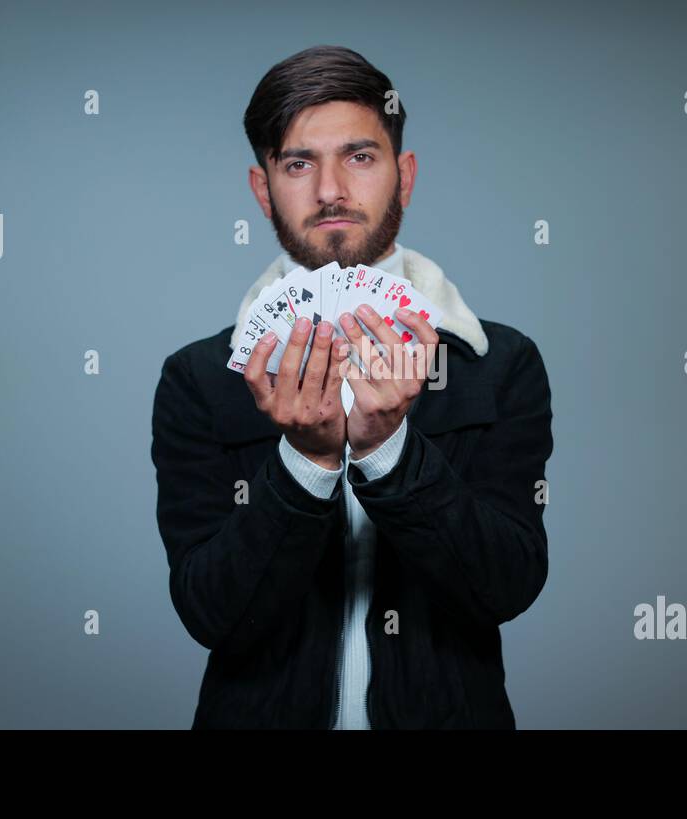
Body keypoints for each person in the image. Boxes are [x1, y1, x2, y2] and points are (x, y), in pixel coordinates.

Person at [150, 45, 553, 729]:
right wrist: (303, 463)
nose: (331, 189)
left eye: (360, 157)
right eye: (299, 163)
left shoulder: (499, 365)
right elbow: (213, 613)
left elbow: (505, 585)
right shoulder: (199, 381)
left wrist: (391, 452)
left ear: (405, 175)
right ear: (262, 187)